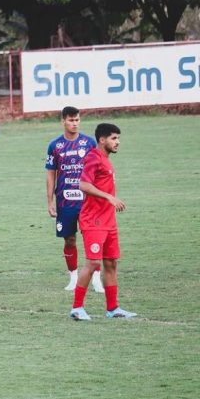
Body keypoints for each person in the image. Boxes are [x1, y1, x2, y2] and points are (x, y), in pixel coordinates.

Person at [70, 123, 137, 321]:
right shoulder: (93, 157)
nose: (118, 142)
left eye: (118, 138)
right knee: (92, 263)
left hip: (109, 221)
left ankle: (113, 308)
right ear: (102, 140)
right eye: (114, 138)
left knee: (111, 263)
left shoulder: (106, 160)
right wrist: (109, 197)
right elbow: (82, 184)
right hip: (94, 221)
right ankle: (77, 308)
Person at [45, 106, 103, 292]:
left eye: (77, 120)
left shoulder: (89, 143)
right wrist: (50, 201)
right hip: (65, 200)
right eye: (71, 120)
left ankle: (96, 278)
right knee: (69, 239)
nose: (74, 123)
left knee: (92, 237)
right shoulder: (55, 146)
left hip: (89, 200)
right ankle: (73, 277)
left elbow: (100, 168)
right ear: (63, 121)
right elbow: (50, 174)